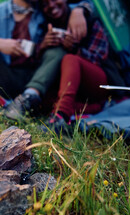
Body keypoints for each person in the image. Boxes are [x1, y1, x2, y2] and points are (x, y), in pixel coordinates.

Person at [0, 0, 93, 119]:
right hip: (2, 77)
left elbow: (74, 5)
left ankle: (28, 101)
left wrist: (79, 10)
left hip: (34, 78)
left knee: (57, 50)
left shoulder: (44, 9)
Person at [40, 0, 110, 132]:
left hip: (97, 82)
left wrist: (75, 49)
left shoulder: (88, 19)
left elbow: (100, 58)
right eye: (45, 4)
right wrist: (43, 46)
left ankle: (61, 115)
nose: (51, 5)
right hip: (70, 90)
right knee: (43, 99)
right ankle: (93, 108)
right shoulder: (43, 25)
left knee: (70, 59)